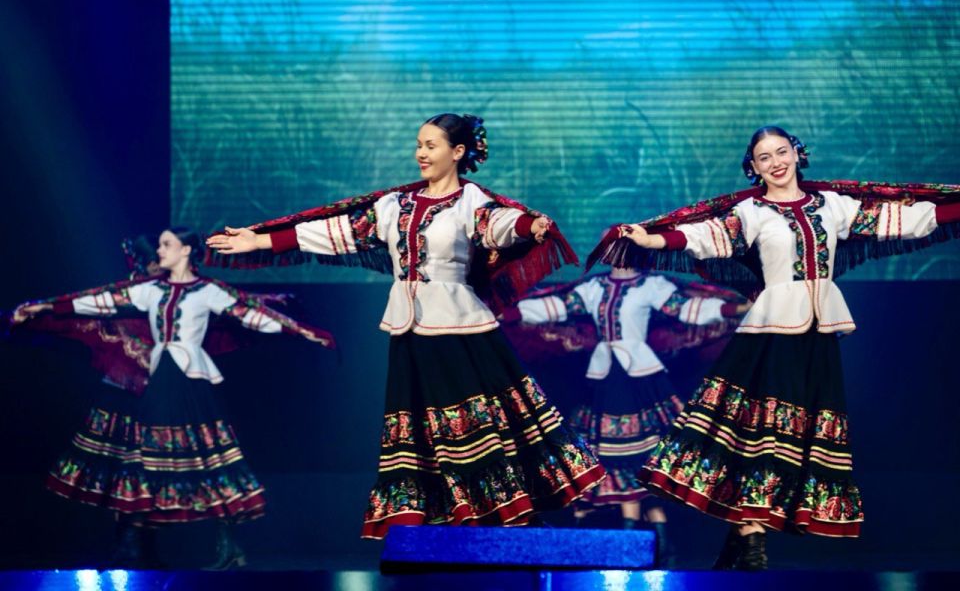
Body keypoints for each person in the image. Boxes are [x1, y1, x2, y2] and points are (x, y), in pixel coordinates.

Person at [207, 113, 606, 539]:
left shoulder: (470, 200)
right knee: (419, 432)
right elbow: (335, 231)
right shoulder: (394, 205)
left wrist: (531, 225)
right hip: (410, 333)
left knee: (480, 425)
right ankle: (437, 523)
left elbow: (500, 225)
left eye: (431, 145)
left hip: (462, 332)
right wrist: (260, 239)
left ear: (458, 152)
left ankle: (508, 516)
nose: (421, 153)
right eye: (418, 144)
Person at [589, 126, 960, 570]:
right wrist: (651, 239)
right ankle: (752, 542)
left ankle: (741, 535)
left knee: (796, 438)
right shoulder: (751, 212)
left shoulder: (833, 205)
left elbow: (900, 219)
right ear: (754, 168)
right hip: (769, 336)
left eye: (782, 152)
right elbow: (707, 235)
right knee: (760, 435)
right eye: (764, 157)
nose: (776, 162)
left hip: (817, 337)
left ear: (798, 155)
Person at [12, 227, 334, 568]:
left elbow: (248, 313)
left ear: (185, 251)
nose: (159, 255)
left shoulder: (205, 290)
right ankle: (136, 544)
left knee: (207, 458)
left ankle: (225, 545)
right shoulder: (147, 290)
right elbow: (98, 301)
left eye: (166, 247)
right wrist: (47, 307)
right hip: (152, 384)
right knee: (142, 460)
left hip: (188, 382)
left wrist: (301, 331)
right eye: (158, 249)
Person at [502, 263, 748, 564]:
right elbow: (556, 306)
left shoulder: (650, 285)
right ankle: (636, 544)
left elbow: (686, 308)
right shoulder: (595, 288)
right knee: (612, 456)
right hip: (606, 379)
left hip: (640, 379)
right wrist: (508, 314)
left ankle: (655, 546)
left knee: (641, 458)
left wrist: (733, 309)